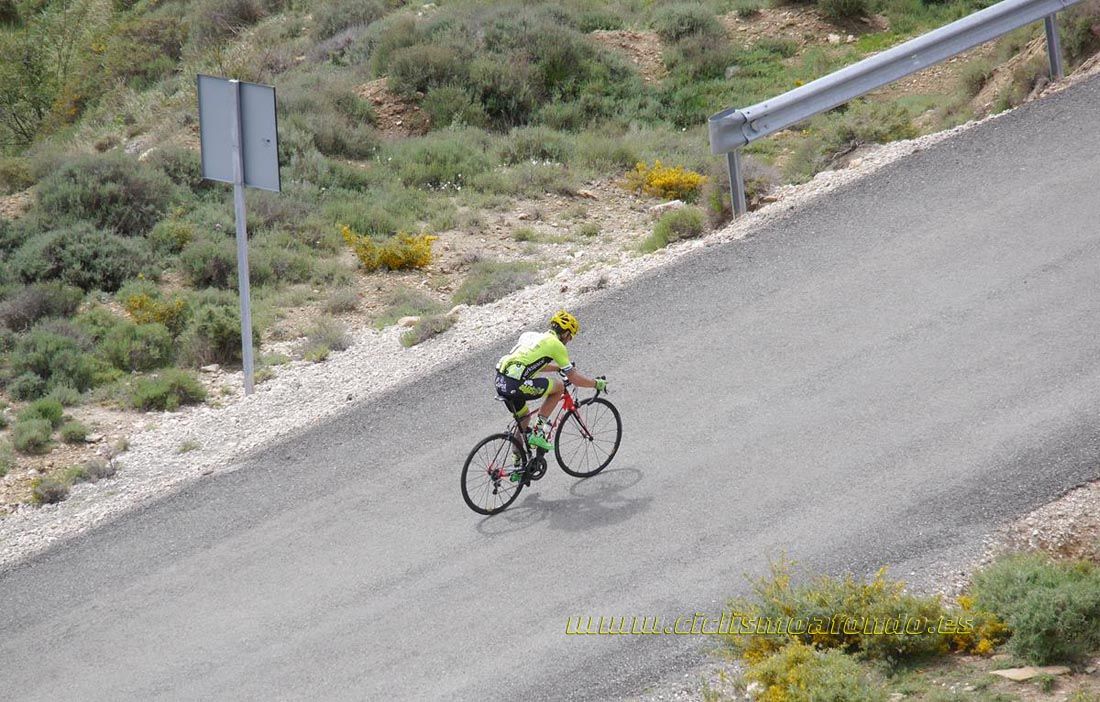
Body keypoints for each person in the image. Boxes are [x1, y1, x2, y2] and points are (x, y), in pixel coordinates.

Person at [495, 310, 608, 452]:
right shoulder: (557, 345)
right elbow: (574, 378)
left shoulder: (530, 336)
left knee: (524, 419)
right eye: (570, 337)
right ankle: (537, 432)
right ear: (566, 333)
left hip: (501, 381)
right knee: (559, 387)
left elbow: (532, 364)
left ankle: (517, 466)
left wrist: (556, 368)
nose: (569, 340)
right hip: (516, 385)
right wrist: (596, 383)